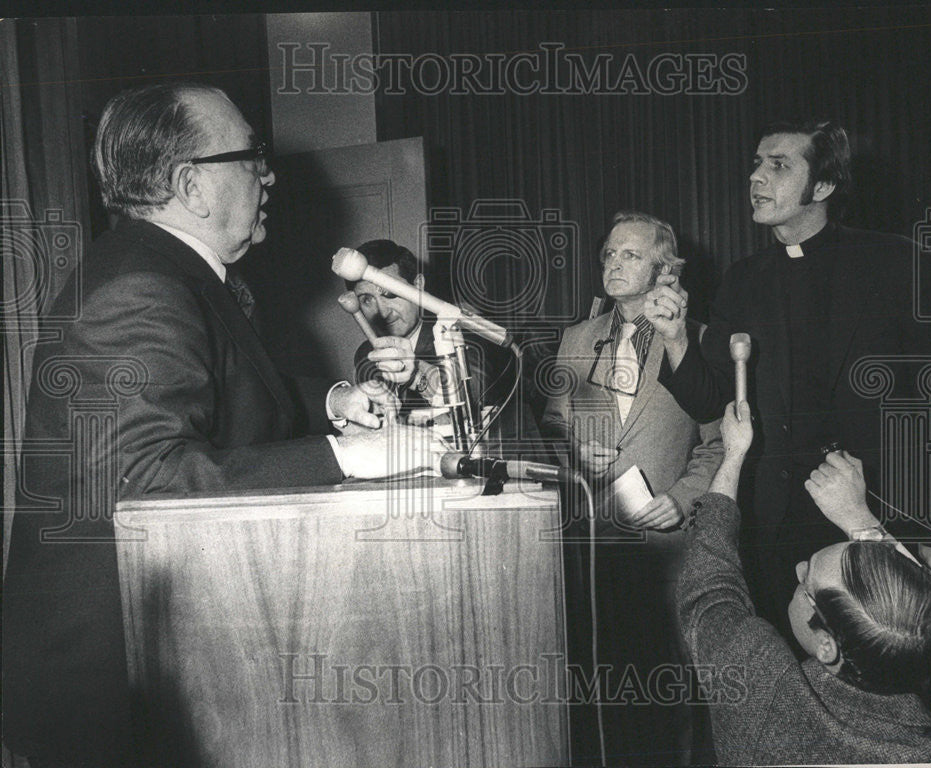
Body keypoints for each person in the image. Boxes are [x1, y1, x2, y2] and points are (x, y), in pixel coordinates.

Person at [2, 82, 442, 767]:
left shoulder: (170, 269)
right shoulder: (141, 287)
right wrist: (348, 459)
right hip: (110, 679)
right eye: (251, 154)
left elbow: (229, 393)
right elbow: (146, 484)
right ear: (192, 186)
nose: (268, 174)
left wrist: (335, 402)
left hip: (157, 653)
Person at [646, 120, 931, 634]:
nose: (756, 177)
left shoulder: (897, 262)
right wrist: (676, 337)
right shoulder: (743, 280)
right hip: (773, 529)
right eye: (755, 163)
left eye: (778, 165)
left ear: (823, 186)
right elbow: (711, 401)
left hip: (876, 515)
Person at [679, 399, 931, 764]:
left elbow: (709, 584)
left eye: (807, 584)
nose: (798, 568)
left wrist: (733, 454)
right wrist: (860, 521)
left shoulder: (761, 690)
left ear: (827, 647)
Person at [540, 211, 723, 765]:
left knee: (673, 679)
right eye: (609, 255)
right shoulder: (575, 339)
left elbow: (720, 443)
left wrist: (684, 497)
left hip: (667, 540)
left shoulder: (698, 341)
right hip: (592, 541)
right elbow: (552, 427)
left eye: (631, 255)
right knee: (602, 676)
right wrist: (573, 450)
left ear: (664, 268)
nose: (614, 264)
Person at [344, 238, 488, 418]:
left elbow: (474, 399)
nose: (383, 312)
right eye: (366, 299)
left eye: (391, 293)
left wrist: (417, 376)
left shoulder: (458, 336)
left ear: (418, 286)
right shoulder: (365, 354)